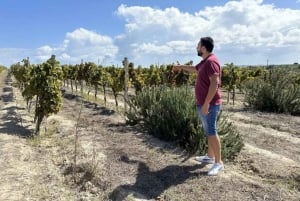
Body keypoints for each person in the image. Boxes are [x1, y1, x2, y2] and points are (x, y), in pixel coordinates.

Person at [173, 37, 223, 176]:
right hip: (203, 103)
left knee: (212, 131)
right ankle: (210, 156)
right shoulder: (204, 63)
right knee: (208, 131)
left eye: (198, 45)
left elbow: (215, 84)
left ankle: (219, 163)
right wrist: (181, 67)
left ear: (203, 48)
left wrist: (206, 103)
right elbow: (194, 69)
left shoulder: (212, 62)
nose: (196, 47)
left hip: (210, 104)